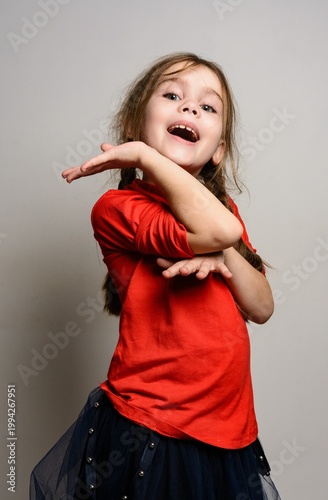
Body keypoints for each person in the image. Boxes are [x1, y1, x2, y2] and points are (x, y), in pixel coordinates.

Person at [30, 52, 281, 500]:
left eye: (208, 107)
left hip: (228, 429)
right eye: (172, 96)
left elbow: (261, 307)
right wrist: (145, 156)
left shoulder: (221, 212)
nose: (189, 109)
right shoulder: (119, 209)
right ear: (134, 126)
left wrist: (225, 258)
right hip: (154, 429)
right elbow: (220, 231)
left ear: (217, 150)